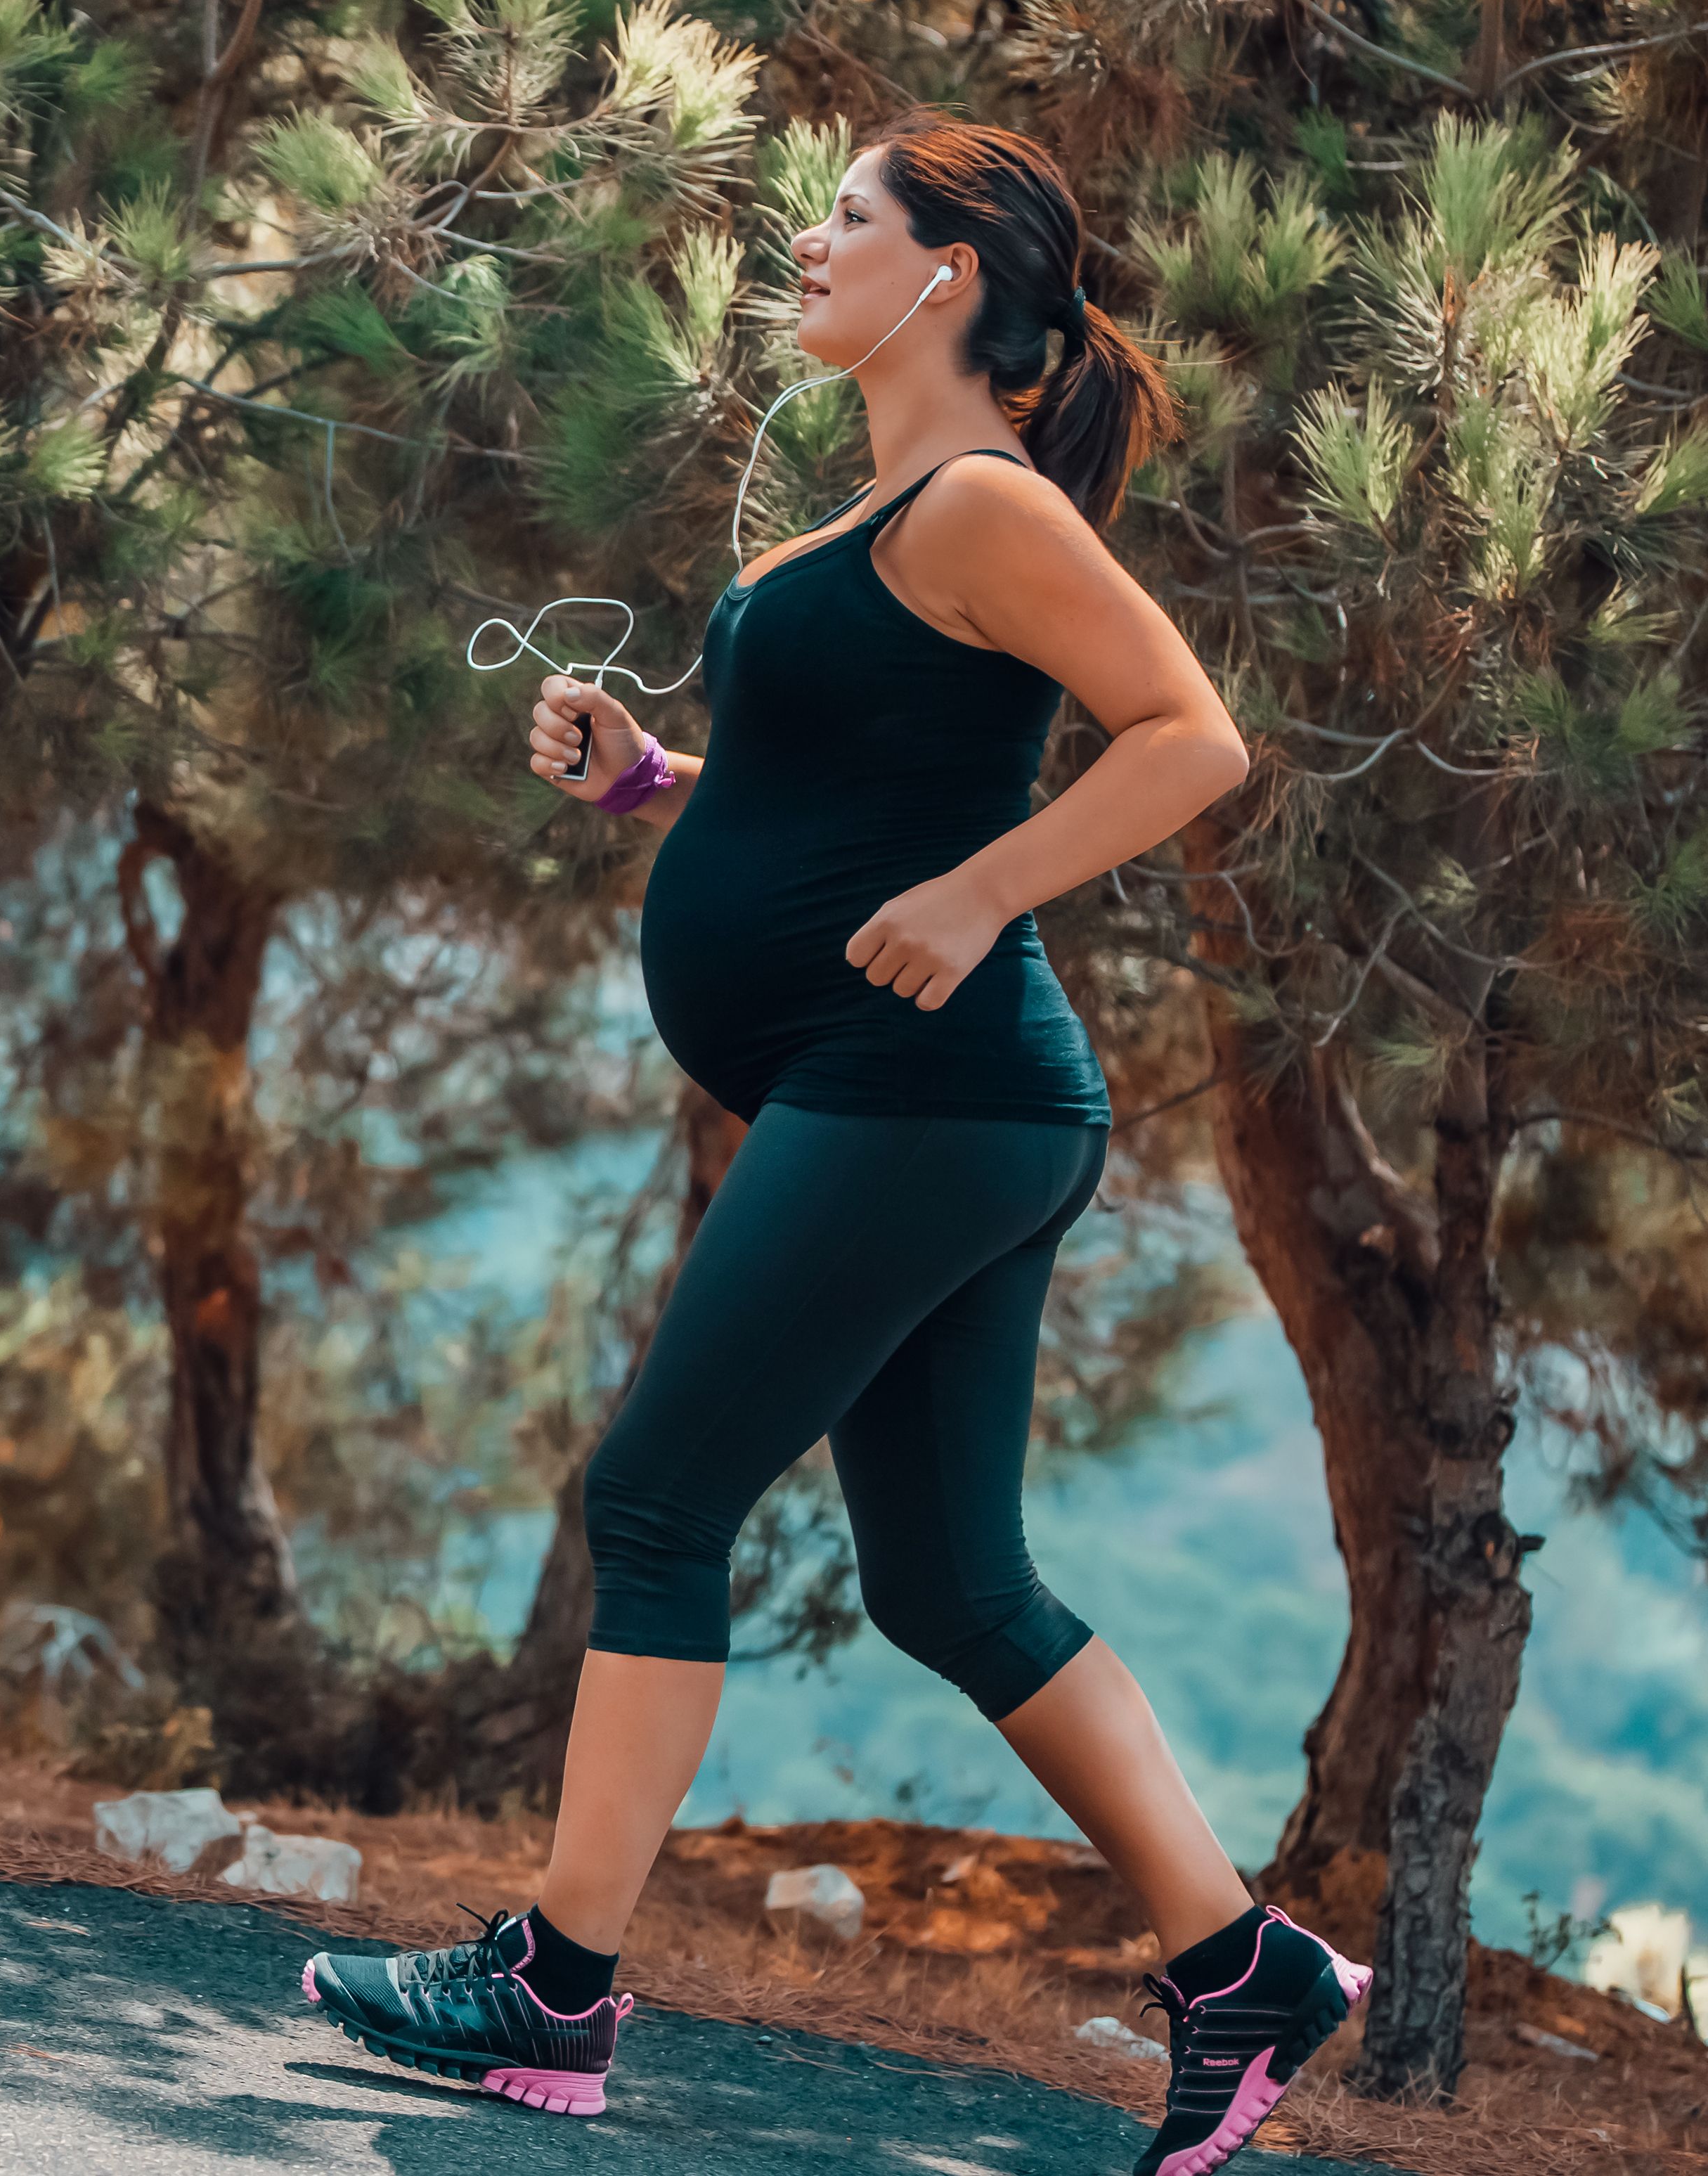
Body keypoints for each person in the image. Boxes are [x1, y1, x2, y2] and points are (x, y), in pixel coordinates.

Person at [294, 111, 1369, 2176]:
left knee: (655, 1500)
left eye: (845, 217)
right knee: (953, 1582)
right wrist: (644, 782)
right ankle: (1245, 1972)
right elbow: (823, 801)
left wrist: (981, 896)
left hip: (927, 1090)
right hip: (935, 1106)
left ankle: (553, 1985)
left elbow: (1191, 737)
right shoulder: (867, 513)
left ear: (946, 271)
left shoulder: (979, 504)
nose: (802, 241)